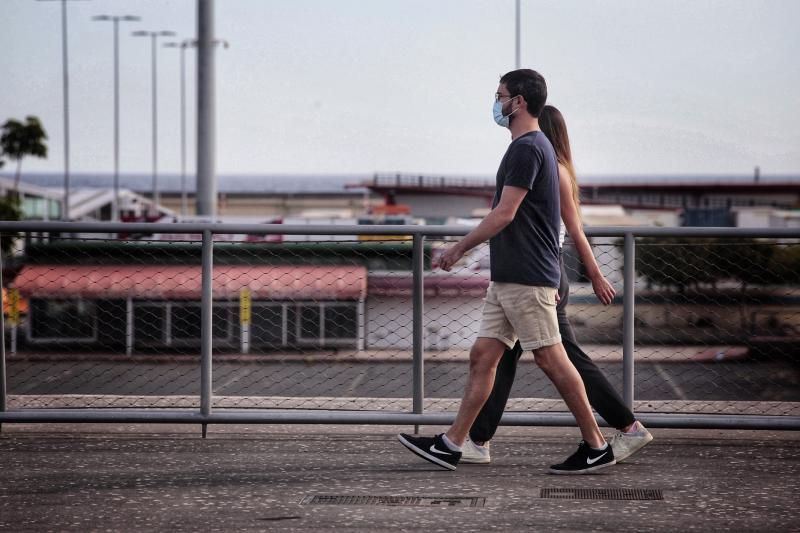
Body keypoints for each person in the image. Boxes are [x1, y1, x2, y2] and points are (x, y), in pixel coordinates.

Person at [397, 69, 615, 474]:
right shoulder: (534, 147)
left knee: (553, 361)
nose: (495, 103)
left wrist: (458, 249)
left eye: (499, 96)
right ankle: (452, 444)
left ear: (518, 102)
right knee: (483, 356)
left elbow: (504, 213)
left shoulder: (528, 149)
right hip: (510, 276)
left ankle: (596, 444)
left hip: (527, 276)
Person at [459, 104, 653, 465]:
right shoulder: (548, 164)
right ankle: (476, 440)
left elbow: (574, 229)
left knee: (564, 360)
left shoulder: (551, 167)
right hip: (536, 273)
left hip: (541, 275)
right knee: (499, 358)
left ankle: (626, 427)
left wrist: (594, 274)